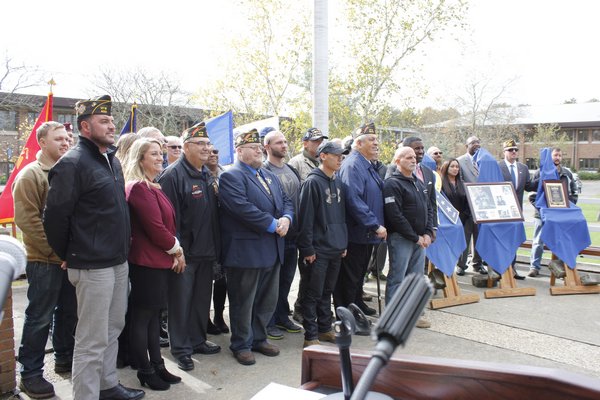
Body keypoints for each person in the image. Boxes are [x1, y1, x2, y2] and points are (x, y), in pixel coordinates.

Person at [43, 95, 144, 400]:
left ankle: (107, 385)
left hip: (116, 262)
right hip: (91, 265)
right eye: (104, 121)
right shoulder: (72, 164)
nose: (112, 125)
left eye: (112, 120)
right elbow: (54, 219)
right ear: (85, 126)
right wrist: (71, 255)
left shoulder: (110, 159)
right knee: (90, 340)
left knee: (112, 328)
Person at [218, 129, 294, 366]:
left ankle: (259, 338)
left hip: (272, 249)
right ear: (239, 151)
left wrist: (287, 219)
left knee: (266, 300)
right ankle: (241, 343)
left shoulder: (267, 174)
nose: (259, 150)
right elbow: (241, 208)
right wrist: (273, 224)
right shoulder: (232, 176)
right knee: (243, 301)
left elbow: (286, 200)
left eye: (259, 147)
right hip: (247, 252)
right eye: (252, 147)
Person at [13, 121, 77, 399]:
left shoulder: (69, 172)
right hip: (44, 262)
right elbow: (28, 221)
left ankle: (63, 358)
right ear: (42, 142)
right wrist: (57, 254)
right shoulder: (32, 175)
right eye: (58, 139)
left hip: (68, 260)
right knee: (39, 317)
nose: (65, 143)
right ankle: (30, 374)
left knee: (67, 313)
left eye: (67, 139)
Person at [158, 121, 221, 371]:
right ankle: (181, 349)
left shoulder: (205, 173)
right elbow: (167, 220)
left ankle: (197, 340)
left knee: (200, 301)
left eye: (208, 144)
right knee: (180, 303)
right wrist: (176, 252)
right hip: (184, 254)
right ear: (186, 147)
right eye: (201, 144)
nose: (207, 148)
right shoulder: (173, 175)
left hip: (206, 252)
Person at [124, 139, 183, 391]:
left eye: (161, 153)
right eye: (154, 154)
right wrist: (177, 249)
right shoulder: (138, 187)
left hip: (159, 260)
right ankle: (144, 370)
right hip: (146, 262)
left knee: (153, 318)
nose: (160, 158)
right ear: (140, 159)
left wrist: (173, 250)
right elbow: (156, 228)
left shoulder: (153, 186)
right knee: (142, 318)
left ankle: (158, 364)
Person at [297, 141, 348, 347]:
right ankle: (310, 335)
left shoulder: (338, 183)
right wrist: (307, 248)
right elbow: (306, 218)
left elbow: (341, 216)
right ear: (323, 156)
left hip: (335, 247)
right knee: (313, 293)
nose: (340, 159)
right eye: (336, 155)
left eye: (341, 156)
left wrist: (342, 242)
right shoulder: (312, 183)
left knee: (328, 291)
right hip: (318, 250)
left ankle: (325, 328)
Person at [335, 123, 386, 317]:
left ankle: (357, 303)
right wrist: (374, 224)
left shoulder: (367, 164)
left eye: (376, 139)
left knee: (358, 275)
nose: (376, 143)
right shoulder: (353, 165)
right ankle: (347, 312)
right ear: (358, 143)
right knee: (350, 276)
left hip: (366, 233)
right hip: (356, 232)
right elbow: (353, 199)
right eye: (371, 140)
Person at [383, 146, 433, 328]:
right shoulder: (392, 184)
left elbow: (428, 208)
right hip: (402, 239)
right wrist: (414, 237)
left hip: (420, 240)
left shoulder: (418, 183)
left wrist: (428, 233)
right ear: (397, 161)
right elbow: (394, 215)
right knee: (397, 277)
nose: (413, 160)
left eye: (414, 157)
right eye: (408, 157)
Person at [262, 129, 303, 340]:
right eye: (279, 142)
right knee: (272, 282)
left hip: (294, 235)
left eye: (285, 142)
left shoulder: (290, 169)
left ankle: (282, 316)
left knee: (287, 279)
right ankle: (267, 322)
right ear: (267, 147)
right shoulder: (264, 170)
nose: (284, 145)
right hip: (275, 236)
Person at [528, 147, 578, 277]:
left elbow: (574, 192)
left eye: (560, 156)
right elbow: (532, 194)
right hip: (542, 214)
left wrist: (569, 206)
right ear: (550, 157)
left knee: (562, 240)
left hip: (561, 215)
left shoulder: (567, 173)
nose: (558, 158)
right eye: (555, 155)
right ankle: (534, 267)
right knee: (538, 241)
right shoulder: (540, 172)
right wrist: (540, 208)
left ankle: (560, 268)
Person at [498, 139, 536, 280]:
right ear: (504, 152)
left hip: (516, 212)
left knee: (513, 241)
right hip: (501, 212)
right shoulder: (498, 166)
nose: (514, 152)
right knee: (501, 241)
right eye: (510, 150)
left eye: (515, 149)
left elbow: (529, 186)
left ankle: (512, 269)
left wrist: (543, 178)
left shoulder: (523, 168)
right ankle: (499, 269)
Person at [205, 148, 229, 335]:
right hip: (207, 234)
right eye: (209, 151)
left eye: (216, 151)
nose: (213, 154)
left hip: (225, 233)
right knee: (206, 281)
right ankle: (204, 318)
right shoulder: (200, 175)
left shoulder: (226, 174)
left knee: (222, 280)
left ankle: (219, 316)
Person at [456, 136, 486, 274]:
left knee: (480, 236)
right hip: (467, 207)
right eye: (473, 142)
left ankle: (478, 263)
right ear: (466, 145)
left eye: (478, 142)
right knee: (465, 236)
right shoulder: (460, 161)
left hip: (484, 207)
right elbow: (459, 182)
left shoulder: (485, 160)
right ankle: (461, 265)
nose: (476, 144)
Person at [440, 159, 472, 275]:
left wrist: (463, 216)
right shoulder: (441, 183)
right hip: (446, 220)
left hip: (463, 218)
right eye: (452, 166)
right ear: (446, 168)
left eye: (457, 167)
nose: (455, 169)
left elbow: (469, 202)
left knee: (463, 242)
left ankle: (461, 265)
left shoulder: (463, 184)